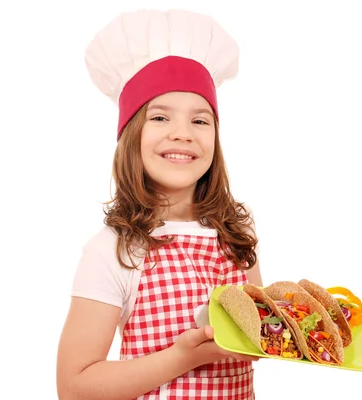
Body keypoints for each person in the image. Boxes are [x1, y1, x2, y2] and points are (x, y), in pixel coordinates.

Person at [56, 9, 263, 400]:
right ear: (131, 134)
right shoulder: (114, 248)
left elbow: (257, 335)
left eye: (200, 121)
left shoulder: (236, 232)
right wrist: (181, 357)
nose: (182, 134)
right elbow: (74, 387)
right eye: (160, 117)